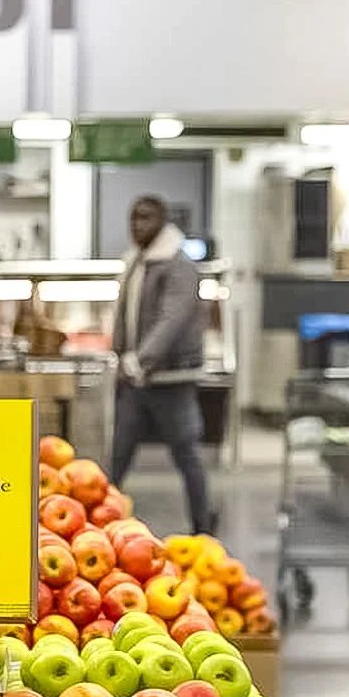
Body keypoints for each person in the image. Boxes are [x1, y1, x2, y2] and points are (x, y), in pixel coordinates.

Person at [109, 195, 214, 534]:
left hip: (172, 379)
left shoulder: (177, 264)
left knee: (187, 455)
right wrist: (122, 355)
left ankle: (203, 526)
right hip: (135, 380)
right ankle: (100, 525)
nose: (138, 225)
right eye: (134, 218)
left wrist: (141, 358)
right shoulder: (137, 261)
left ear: (163, 221)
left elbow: (173, 318)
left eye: (146, 218)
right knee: (117, 457)